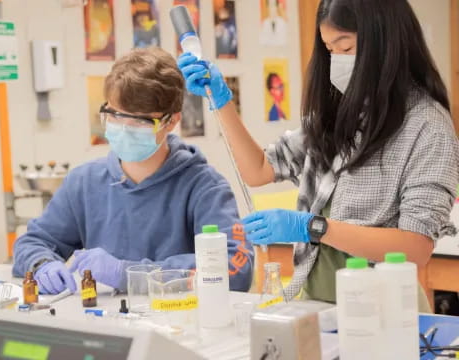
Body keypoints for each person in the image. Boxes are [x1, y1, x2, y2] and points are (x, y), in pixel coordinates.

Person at [178, 0, 459, 311]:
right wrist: (221, 101)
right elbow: (258, 169)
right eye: (330, 50)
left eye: (346, 47)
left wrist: (314, 227)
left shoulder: (428, 125)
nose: (336, 60)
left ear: (387, 43)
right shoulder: (341, 113)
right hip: (316, 305)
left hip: (385, 311)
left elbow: (415, 247)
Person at [13, 47, 253, 294]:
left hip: (179, 324)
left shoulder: (205, 188)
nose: (124, 129)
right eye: (115, 115)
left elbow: (236, 270)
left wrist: (129, 274)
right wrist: (42, 265)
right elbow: (33, 242)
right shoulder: (84, 182)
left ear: (172, 121)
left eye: (140, 121)